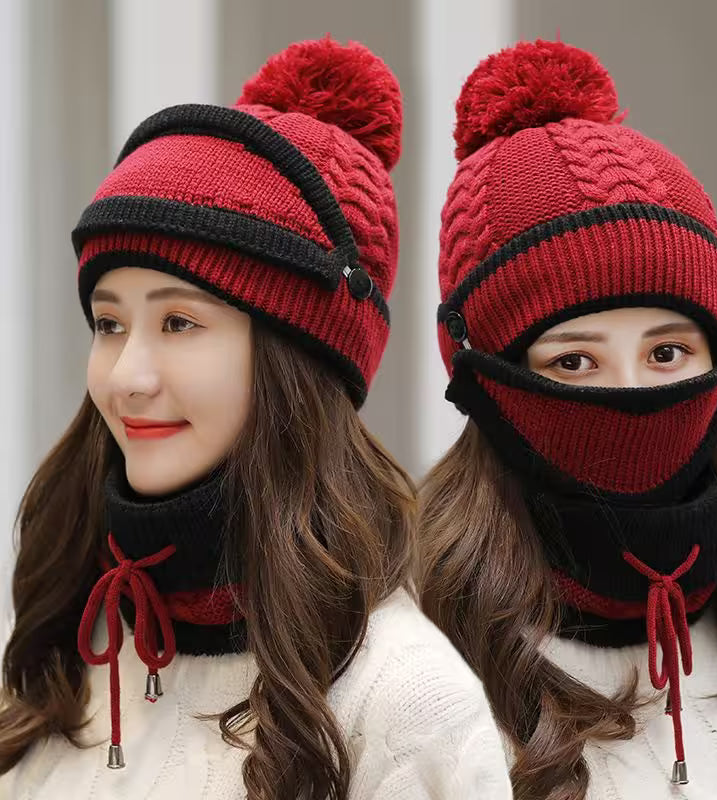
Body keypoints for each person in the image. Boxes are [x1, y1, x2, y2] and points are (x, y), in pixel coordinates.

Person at [0, 37, 512, 800]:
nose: (127, 378)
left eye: (179, 323)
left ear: (293, 361)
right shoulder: (66, 641)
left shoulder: (405, 701)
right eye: (109, 324)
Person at [420, 39, 717, 799]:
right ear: (483, 383)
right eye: (573, 361)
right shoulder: (417, 678)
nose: (630, 394)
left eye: (667, 353)